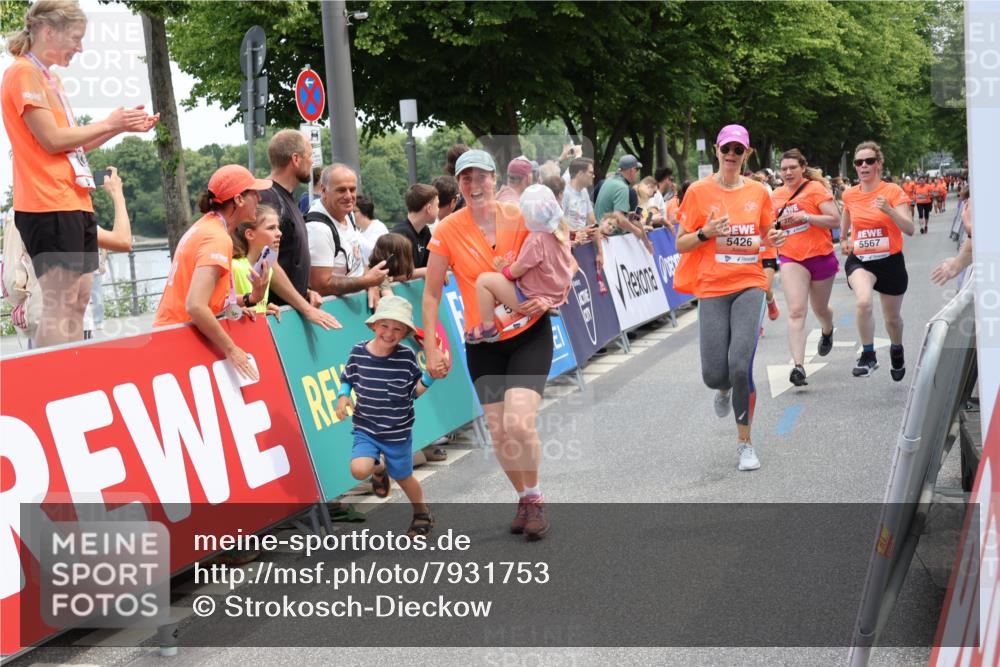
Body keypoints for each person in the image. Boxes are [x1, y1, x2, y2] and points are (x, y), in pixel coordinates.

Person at [3, 0, 159, 347]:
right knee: (60, 307)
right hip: (47, 203)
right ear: (48, 32)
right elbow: (52, 140)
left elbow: (72, 145)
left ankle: (72, 372)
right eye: (76, 38)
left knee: (78, 303)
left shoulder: (50, 78)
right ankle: (50, 378)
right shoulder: (22, 73)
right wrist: (110, 122)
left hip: (74, 200)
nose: (80, 48)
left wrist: (120, 127)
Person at [422, 149, 553, 540]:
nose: (475, 185)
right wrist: (431, 346)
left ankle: (535, 497)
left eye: (481, 177)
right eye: (466, 179)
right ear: (458, 185)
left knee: (518, 423)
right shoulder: (447, 229)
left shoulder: (520, 216)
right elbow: (431, 293)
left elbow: (555, 260)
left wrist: (550, 299)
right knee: (499, 432)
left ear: (495, 179)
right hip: (483, 342)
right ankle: (525, 498)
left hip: (529, 333)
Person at [673, 124, 784, 472]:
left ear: (747, 154)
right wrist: (706, 232)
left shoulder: (759, 191)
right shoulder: (698, 191)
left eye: (738, 150)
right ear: (717, 151)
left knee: (740, 366)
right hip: (712, 288)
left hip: (749, 284)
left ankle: (745, 443)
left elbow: (766, 234)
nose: (732, 155)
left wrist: (773, 240)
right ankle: (722, 389)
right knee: (714, 375)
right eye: (727, 149)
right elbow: (681, 243)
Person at [153, 165, 274, 380]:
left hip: (172, 336)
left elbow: (206, 301)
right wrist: (231, 348)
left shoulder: (207, 226)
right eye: (254, 192)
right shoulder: (216, 237)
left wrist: (249, 299)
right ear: (239, 199)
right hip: (178, 340)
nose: (260, 197)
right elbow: (196, 306)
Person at [336, 295, 437, 538]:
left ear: (405, 333)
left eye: (397, 328)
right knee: (358, 470)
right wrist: (343, 396)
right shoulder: (358, 352)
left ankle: (422, 513)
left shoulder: (406, 357)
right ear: (374, 325)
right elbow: (347, 377)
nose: (389, 333)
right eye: (384, 325)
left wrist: (431, 377)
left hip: (397, 434)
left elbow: (413, 392)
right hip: (366, 429)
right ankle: (379, 467)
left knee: (403, 477)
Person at [840, 140, 914, 381]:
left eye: (869, 161)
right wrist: (843, 239)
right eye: (859, 162)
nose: (863, 166)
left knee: (892, 319)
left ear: (879, 164)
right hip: (861, 260)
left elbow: (910, 228)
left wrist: (889, 211)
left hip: (890, 261)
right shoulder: (850, 194)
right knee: (863, 302)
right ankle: (868, 355)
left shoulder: (892, 191)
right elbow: (846, 215)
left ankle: (897, 348)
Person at [466, 184, 575, 343]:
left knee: (484, 281)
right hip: (557, 294)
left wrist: (504, 269)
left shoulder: (536, 240)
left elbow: (516, 271)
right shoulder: (563, 229)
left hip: (529, 297)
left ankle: (488, 328)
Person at [772, 149, 843, 386]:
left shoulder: (815, 189)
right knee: (795, 310)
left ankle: (827, 329)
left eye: (792, 167)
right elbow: (769, 226)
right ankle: (799, 367)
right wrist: (774, 232)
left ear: (802, 168)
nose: (788, 172)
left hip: (820, 256)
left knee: (820, 308)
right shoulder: (776, 195)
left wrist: (806, 217)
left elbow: (835, 220)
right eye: (784, 169)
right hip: (792, 258)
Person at [306, 164, 388, 296]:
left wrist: (371, 283)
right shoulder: (318, 229)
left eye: (352, 189)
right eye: (341, 190)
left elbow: (357, 262)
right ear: (323, 190)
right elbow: (321, 285)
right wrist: (366, 282)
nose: (349, 196)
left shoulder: (348, 214)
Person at [259, 129, 319, 307]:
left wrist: (305, 291)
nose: (312, 162)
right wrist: (305, 307)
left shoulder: (284, 196)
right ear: (296, 159)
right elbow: (267, 262)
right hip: (277, 314)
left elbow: (291, 258)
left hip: (289, 311)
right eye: (310, 156)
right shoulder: (268, 198)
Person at [231, 204, 282, 316]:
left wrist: (263, 311)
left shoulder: (268, 270)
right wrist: (239, 312)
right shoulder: (234, 267)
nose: (279, 233)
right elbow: (219, 310)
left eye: (278, 227)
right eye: (271, 228)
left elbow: (254, 309)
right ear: (250, 234)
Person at [594, 154, 652, 252]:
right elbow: (619, 218)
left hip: (600, 236)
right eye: (637, 170)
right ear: (632, 170)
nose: (637, 173)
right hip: (611, 240)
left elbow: (609, 212)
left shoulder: (608, 181)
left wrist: (627, 215)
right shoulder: (622, 187)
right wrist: (636, 231)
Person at [392, 183, 437, 278]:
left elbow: (431, 262)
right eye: (437, 205)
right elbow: (397, 276)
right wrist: (430, 271)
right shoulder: (399, 234)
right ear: (429, 208)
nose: (438, 210)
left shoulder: (425, 231)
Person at [353, 194, 388, 264]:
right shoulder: (361, 231)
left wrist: (354, 232)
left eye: (354, 211)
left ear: (365, 211)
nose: (351, 215)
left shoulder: (378, 227)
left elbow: (372, 251)